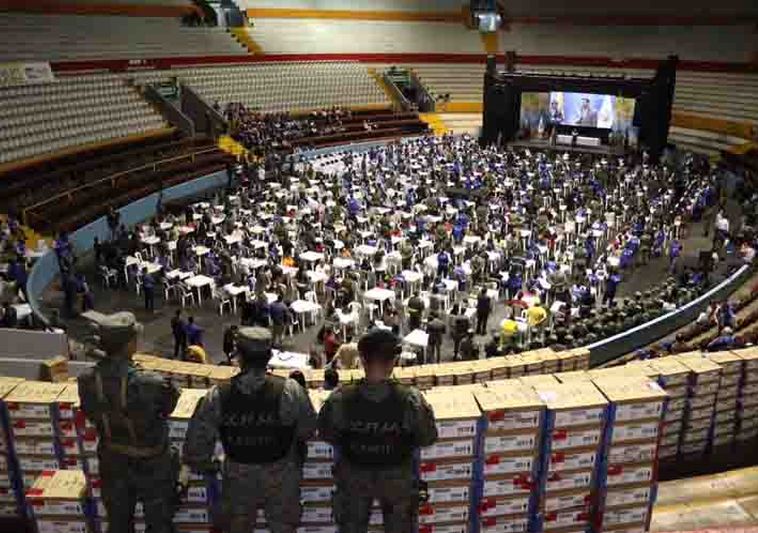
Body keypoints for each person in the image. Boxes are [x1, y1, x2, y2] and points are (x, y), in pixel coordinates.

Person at [183, 327, 317, 533]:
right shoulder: (291, 391)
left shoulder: (218, 395)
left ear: (240, 357)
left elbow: (196, 448)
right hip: (281, 477)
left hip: (237, 479)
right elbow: (307, 430)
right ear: (269, 356)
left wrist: (211, 465)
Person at [318, 329, 438, 533]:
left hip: (354, 475)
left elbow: (327, 434)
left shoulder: (341, 398)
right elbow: (427, 437)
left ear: (362, 360)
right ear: (393, 362)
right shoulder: (410, 399)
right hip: (397, 477)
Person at [78, 312, 180, 533]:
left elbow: (89, 412)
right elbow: (169, 405)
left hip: (113, 459)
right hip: (152, 462)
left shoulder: (87, 380)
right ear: (129, 344)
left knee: (119, 522)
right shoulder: (150, 382)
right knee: (160, 522)